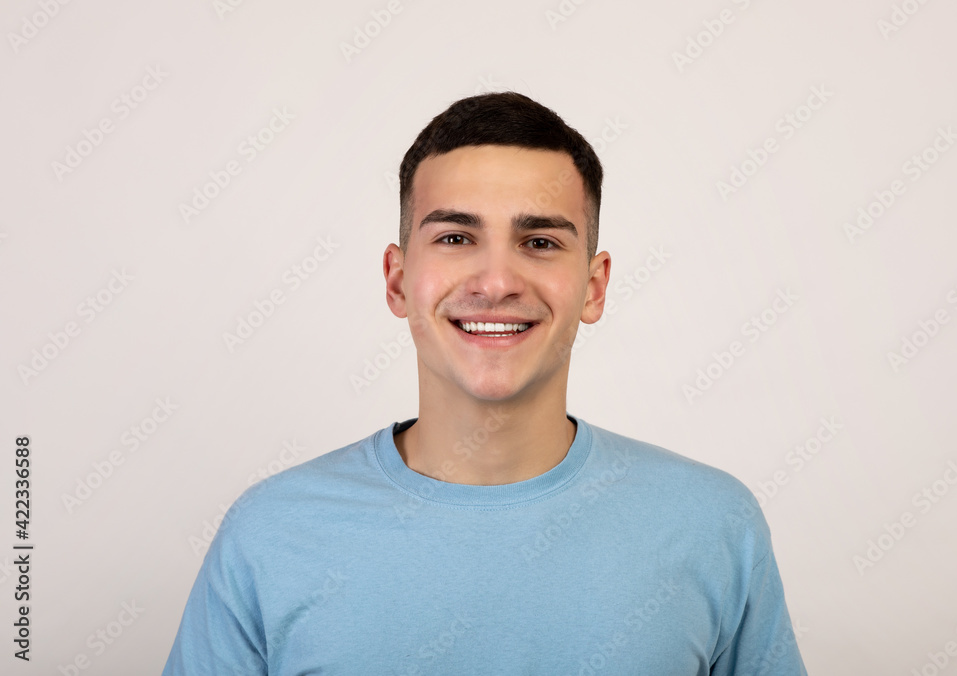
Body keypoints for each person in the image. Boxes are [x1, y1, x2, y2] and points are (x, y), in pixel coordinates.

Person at [162, 92, 808, 675]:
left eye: (540, 242)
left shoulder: (711, 523)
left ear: (594, 284)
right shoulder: (270, 532)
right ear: (396, 280)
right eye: (454, 236)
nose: (496, 281)